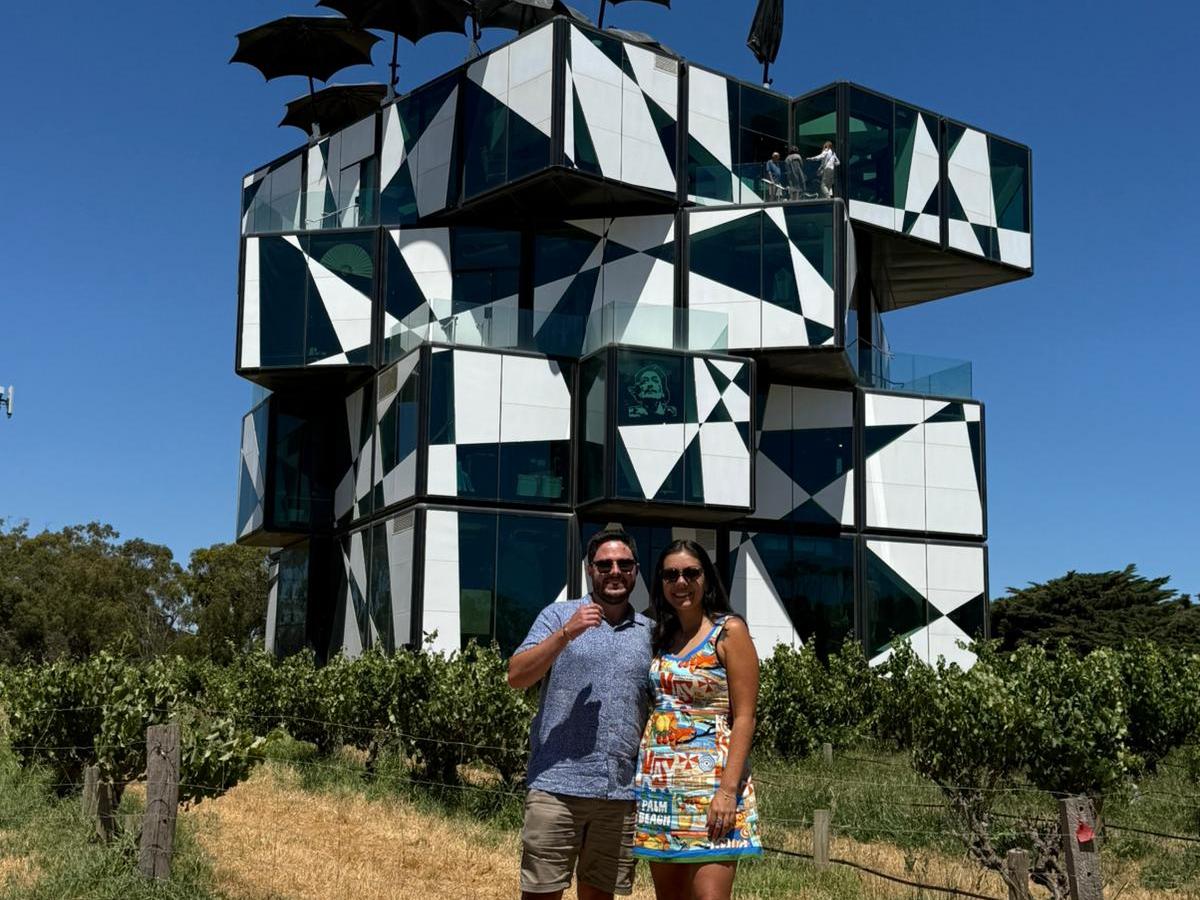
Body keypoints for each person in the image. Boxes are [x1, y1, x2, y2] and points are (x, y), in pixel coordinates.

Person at [508, 528, 653, 900]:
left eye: (624, 564)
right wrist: (566, 634)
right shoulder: (558, 615)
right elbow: (517, 676)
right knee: (540, 894)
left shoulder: (652, 633)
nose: (614, 571)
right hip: (556, 786)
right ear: (591, 570)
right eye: (605, 564)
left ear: (636, 570)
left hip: (619, 794)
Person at [632, 541, 762, 899]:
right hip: (661, 790)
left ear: (707, 579)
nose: (681, 582)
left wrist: (727, 791)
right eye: (671, 574)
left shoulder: (729, 632)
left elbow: (746, 716)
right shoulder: (661, 636)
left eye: (691, 573)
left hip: (712, 789)